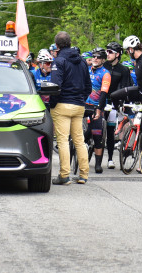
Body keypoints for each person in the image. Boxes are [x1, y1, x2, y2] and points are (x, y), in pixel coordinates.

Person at [49, 31, 92, 185]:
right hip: (79, 105)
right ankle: (83, 175)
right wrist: (81, 98)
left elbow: (55, 86)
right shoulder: (81, 61)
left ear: (57, 45)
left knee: (63, 141)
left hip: (62, 105)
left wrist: (52, 104)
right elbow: (88, 86)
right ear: (69, 42)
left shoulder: (59, 61)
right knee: (79, 140)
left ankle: (64, 175)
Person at [103, 42, 132, 169]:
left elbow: (125, 87)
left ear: (117, 54)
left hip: (114, 102)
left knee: (110, 130)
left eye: (110, 52)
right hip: (101, 100)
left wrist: (123, 103)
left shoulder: (124, 70)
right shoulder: (103, 66)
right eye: (106, 51)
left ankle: (110, 158)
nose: (107, 54)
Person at [85, 47, 112, 174]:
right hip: (84, 105)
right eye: (94, 56)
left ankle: (97, 164)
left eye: (98, 57)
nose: (95, 58)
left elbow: (103, 93)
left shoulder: (105, 73)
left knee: (97, 135)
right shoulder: (86, 70)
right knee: (81, 134)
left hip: (96, 107)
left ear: (103, 60)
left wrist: (99, 110)